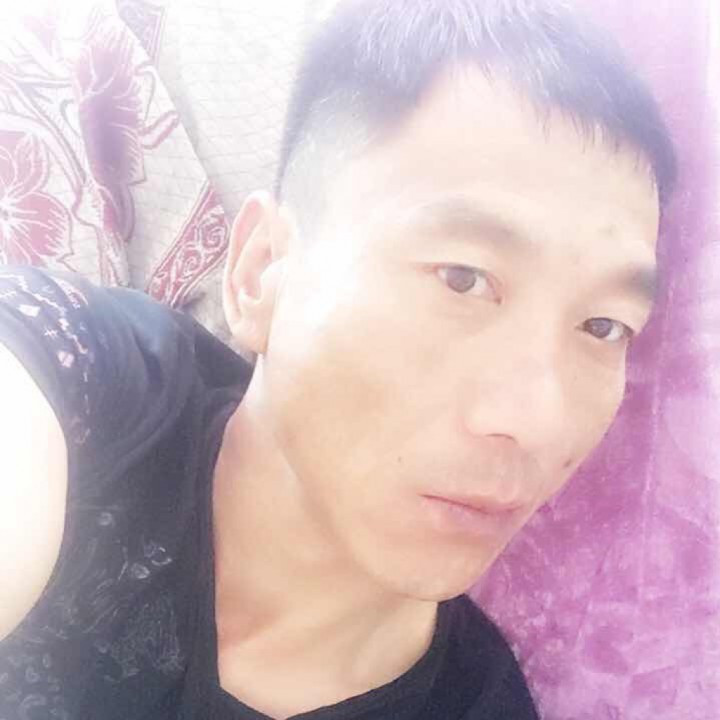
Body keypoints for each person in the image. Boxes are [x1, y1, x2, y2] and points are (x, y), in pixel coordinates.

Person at [0, 0, 677, 718]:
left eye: (603, 325)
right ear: (261, 270)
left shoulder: (481, 705)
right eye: (462, 278)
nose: (538, 422)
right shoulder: (78, 377)